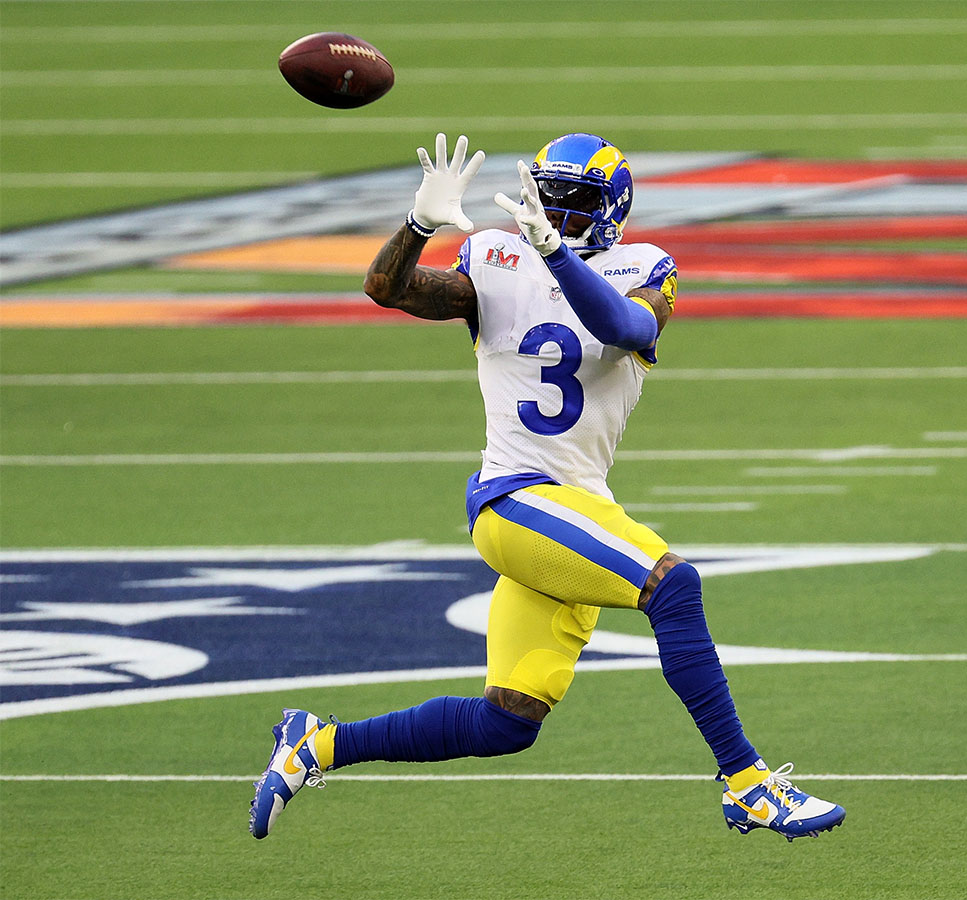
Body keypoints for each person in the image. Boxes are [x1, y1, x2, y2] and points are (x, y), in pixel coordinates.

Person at [248, 133, 846, 842]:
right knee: (673, 587)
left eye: (573, 203)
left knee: (507, 720)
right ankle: (747, 785)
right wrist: (417, 227)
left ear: (612, 210)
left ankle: (315, 744)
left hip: (573, 506)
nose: (555, 214)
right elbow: (388, 289)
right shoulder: (496, 259)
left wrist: (557, 255)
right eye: (548, 197)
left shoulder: (644, 267)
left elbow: (623, 325)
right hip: (514, 498)